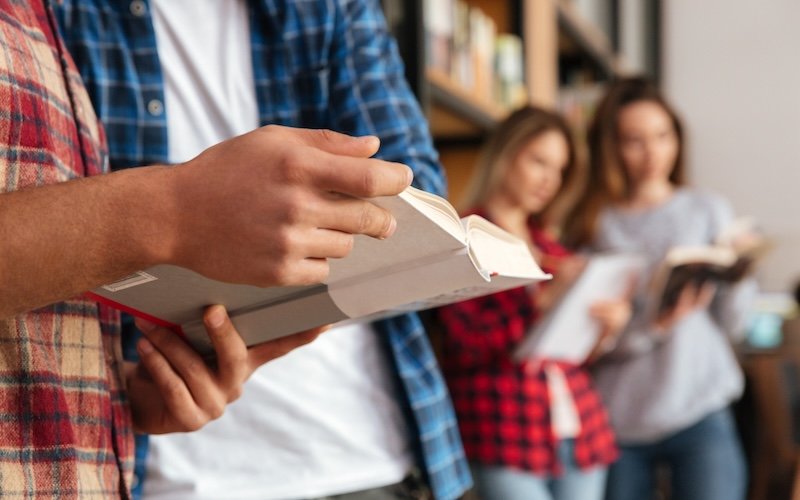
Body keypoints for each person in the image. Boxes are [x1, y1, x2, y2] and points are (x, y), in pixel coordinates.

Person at [54, 1, 471, 499]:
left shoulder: (330, 8)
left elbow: (416, 195)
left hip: (362, 446)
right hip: (171, 458)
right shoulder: (60, 15)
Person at [563, 77, 757, 500]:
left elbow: (733, 324)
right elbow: (589, 344)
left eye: (662, 136)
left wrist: (740, 275)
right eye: (635, 140)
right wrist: (656, 324)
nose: (652, 153)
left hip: (701, 405)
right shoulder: (595, 227)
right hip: (621, 417)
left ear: (677, 138)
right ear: (612, 147)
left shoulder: (708, 209)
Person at [435, 106, 628, 500]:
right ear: (506, 154)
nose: (549, 180)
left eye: (559, 169)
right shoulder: (461, 240)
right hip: (504, 427)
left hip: (578, 425)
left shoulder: (553, 249)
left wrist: (605, 330)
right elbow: (465, 343)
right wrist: (542, 304)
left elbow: (570, 352)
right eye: (539, 161)